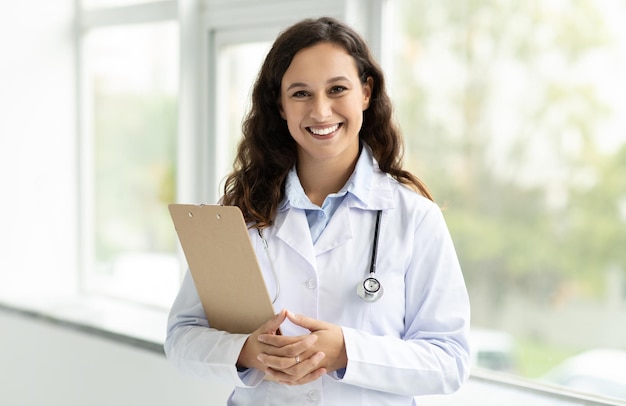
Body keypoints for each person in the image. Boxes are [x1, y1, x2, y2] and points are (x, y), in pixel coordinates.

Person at [165, 16, 470, 405]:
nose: (321, 111)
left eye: (337, 89)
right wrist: (246, 352)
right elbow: (181, 338)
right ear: (280, 104)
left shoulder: (415, 219)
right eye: (301, 94)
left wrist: (346, 351)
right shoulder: (240, 214)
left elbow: (450, 361)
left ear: (365, 91)